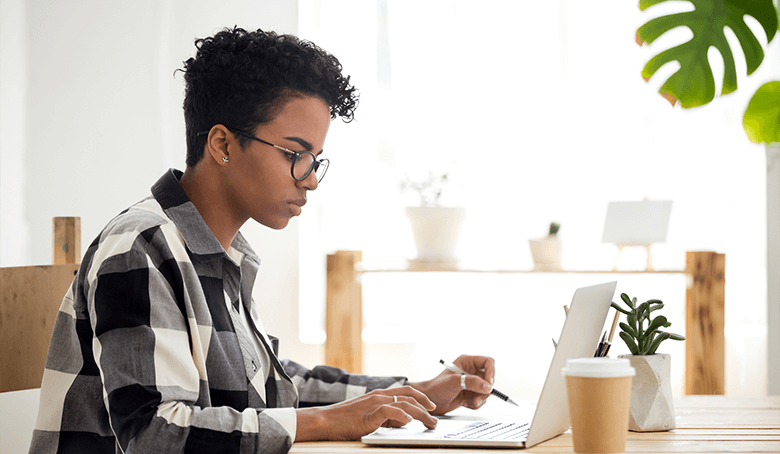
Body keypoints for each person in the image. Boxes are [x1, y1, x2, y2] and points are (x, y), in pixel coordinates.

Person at [29, 27, 496, 454]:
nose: (311, 180)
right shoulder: (140, 247)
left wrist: (414, 392)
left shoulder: (220, 252)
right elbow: (155, 433)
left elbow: (273, 387)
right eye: (296, 154)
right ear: (223, 145)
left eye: (316, 159)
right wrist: (327, 422)